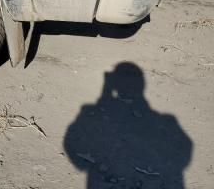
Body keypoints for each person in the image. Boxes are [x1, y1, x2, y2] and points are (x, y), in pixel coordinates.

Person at [64, 62, 192, 188]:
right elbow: (184, 150)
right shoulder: (166, 121)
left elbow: (72, 141)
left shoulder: (166, 121)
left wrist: (85, 166)